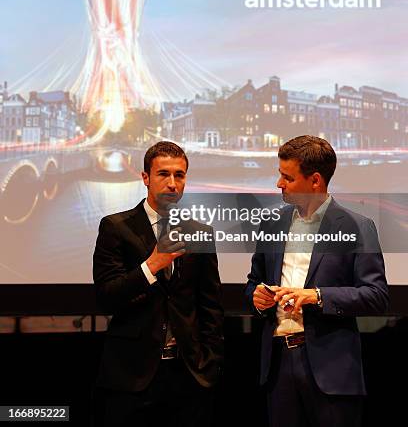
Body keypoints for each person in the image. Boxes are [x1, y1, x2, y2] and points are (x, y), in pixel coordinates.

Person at [245, 135, 389, 427]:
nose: (279, 184)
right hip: (278, 366)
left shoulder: (357, 226)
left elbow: (376, 295)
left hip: (331, 370)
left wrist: (317, 296)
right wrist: (257, 298)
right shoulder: (271, 223)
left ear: (315, 181)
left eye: (287, 177)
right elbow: (254, 281)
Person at [93, 141, 223, 427]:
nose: (173, 183)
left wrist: (209, 364)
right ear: (145, 178)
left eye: (180, 175)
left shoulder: (200, 232)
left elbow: (210, 305)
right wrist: (151, 265)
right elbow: (106, 296)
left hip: (190, 373)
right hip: (132, 374)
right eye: (164, 174)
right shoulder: (116, 227)